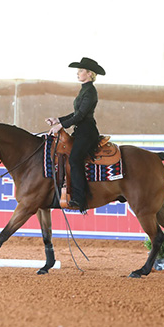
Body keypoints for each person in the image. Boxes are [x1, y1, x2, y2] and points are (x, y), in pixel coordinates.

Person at [46, 57, 106, 212]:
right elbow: (76, 113)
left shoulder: (90, 91)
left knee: (74, 159)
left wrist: (61, 125)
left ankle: (80, 198)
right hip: (81, 131)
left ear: (89, 73)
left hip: (87, 133)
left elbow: (80, 116)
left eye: (80, 71)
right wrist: (58, 119)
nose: (77, 74)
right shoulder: (85, 90)